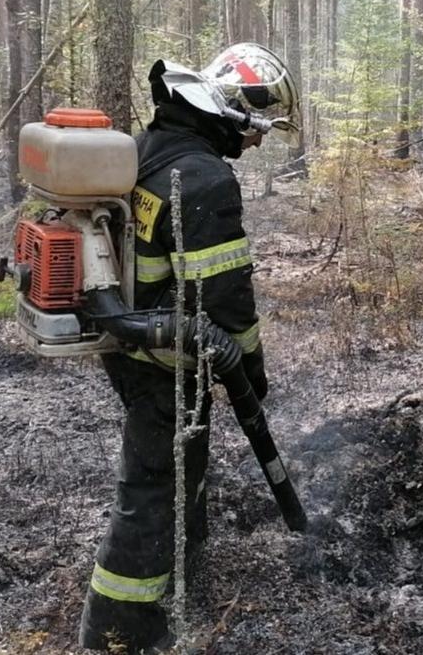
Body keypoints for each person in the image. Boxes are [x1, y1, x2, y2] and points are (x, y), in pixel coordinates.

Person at [79, 43, 299, 653]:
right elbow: (225, 304)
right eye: (258, 129)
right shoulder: (203, 177)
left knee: (182, 460)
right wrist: (251, 376)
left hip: (134, 343)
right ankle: (120, 629)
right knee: (151, 488)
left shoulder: (152, 145)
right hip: (164, 359)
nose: (256, 143)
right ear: (236, 113)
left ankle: (184, 554)